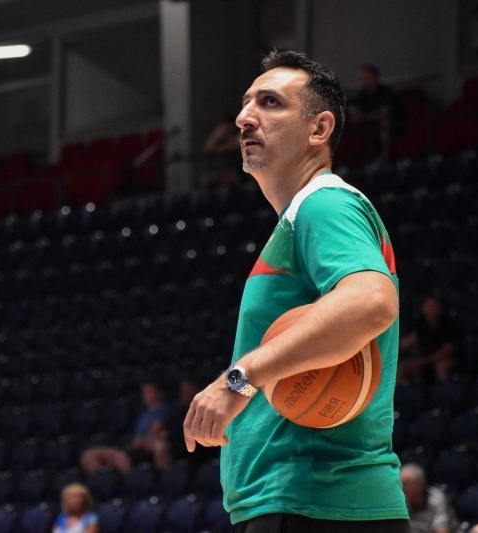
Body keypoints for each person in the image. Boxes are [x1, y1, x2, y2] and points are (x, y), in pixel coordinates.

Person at [183, 49, 408, 532]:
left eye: (270, 103)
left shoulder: (324, 204)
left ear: (319, 129)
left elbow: (371, 301)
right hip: (304, 504)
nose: (245, 117)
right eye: (246, 103)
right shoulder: (301, 217)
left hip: (311, 500)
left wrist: (238, 379)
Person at [80, 380, 170, 474]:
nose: (145, 395)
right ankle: (102, 479)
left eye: (149, 391)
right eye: (144, 392)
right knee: (90, 456)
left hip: (145, 449)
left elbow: (156, 432)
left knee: (121, 458)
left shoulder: (163, 411)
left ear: (159, 393)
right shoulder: (142, 415)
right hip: (132, 447)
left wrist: (143, 441)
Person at [398, 295, 460, 382]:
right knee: (402, 367)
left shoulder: (447, 324)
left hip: (441, 360)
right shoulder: (419, 323)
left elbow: (446, 351)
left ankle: (443, 389)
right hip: (421, 359)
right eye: (428, 306)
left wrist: (422, 362)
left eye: (434, 306)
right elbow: (403, 345)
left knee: (441, 365)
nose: (431, 309)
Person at [348, 65, 396, 160]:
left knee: (383, 124)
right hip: (369, 125)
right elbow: (356, 111)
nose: (363, 80)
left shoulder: (385, 91)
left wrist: (365, 117)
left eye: (366, 77)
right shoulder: (362, 95)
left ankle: (385, 158)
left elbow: (383, 113)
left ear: (374, 77)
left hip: (392, 123)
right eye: (362, 78)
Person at [400, 464, 456, 533]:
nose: (401, 488)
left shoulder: (436, 499)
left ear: (419, 485)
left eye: (404, 484)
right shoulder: (402, 501)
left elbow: (443, 530)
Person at [201, 117, 243, 188]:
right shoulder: (222, 137)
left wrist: (219, 149)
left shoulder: (241, 134)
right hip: (222, 170)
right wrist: (217, 134)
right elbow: (208, 148)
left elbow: (232, 146)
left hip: (240, 171)